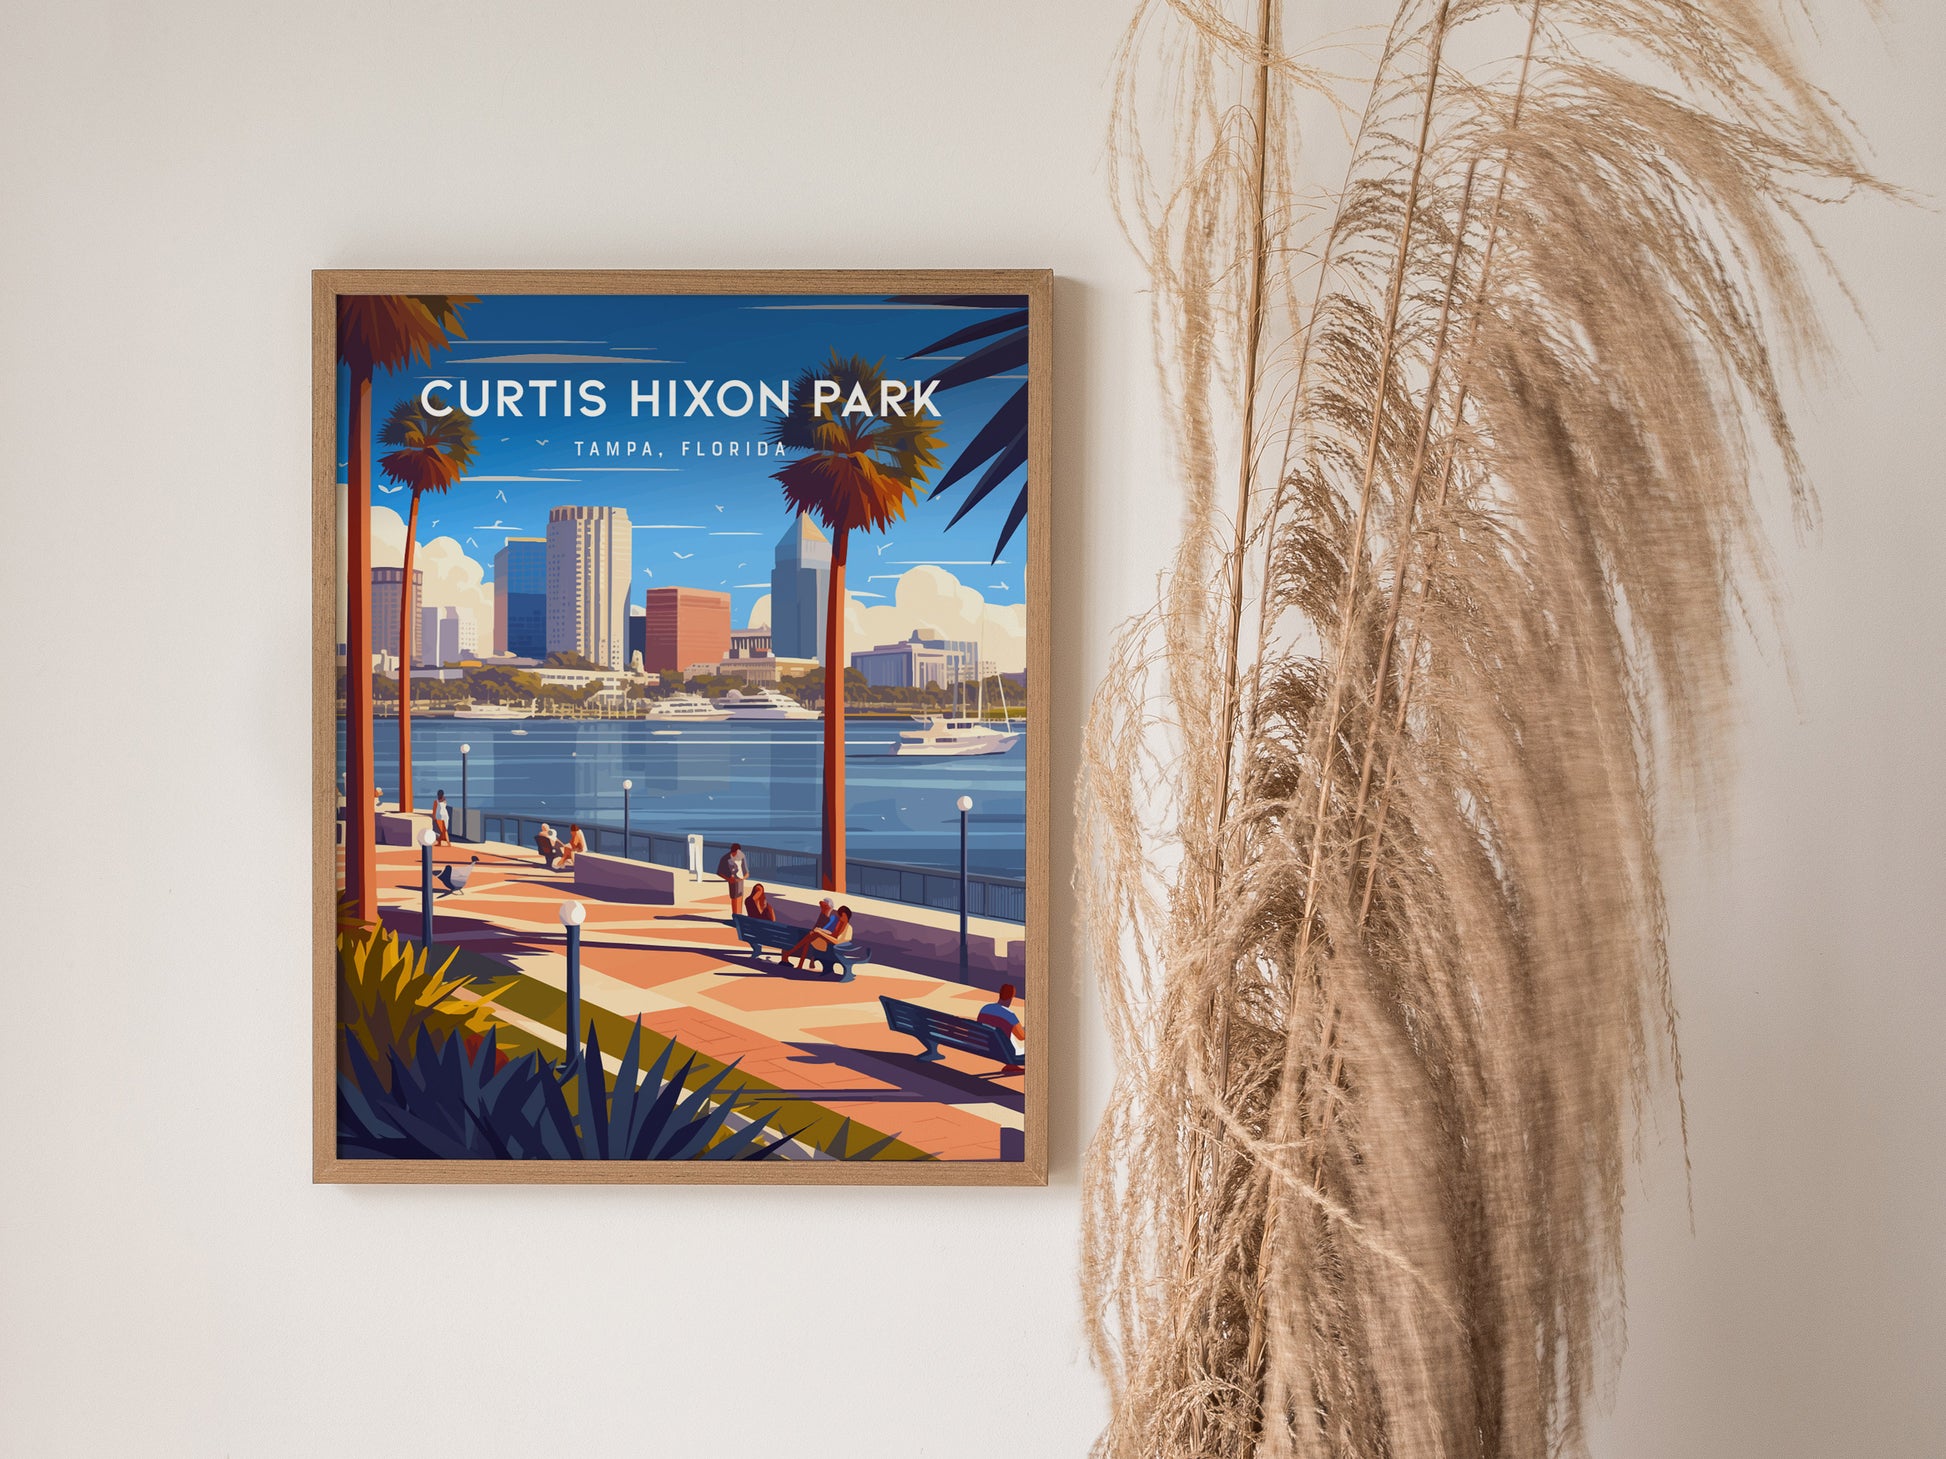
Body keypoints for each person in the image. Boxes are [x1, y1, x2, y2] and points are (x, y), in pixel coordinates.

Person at [784, 903, 851, 971]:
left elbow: (837, 941)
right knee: (811, 936)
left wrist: (821, 933)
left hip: (835, 948)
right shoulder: (840, 923)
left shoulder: (848, 928)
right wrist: (821, 931)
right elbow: (833, 934)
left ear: (845, 915)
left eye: (841, 916)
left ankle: (790, 953)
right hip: (830, 944)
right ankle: (799, 964)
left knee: (813, 935)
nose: (839, 918)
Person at [977, 984, 1026, 1075]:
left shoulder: (985, 1008)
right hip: (1005, 1051)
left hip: (986, 1045)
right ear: (1012, 996)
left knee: (1004, 1038)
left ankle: (1011, 1066)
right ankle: (1011, 1064)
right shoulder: (1009, 1015)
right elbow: (1021, 1036)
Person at [716, 843, 750, 916]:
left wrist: (743, 877)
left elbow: (746, 871)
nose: (737, 854)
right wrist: (728, 879)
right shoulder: (725, 858)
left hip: (740, 880)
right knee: (734, 898)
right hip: (732, 881)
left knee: (740, 897)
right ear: (732, 851)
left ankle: (739, 915)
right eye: (735, 853)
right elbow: (719, 872)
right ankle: (735, 916)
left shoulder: (741, 856)